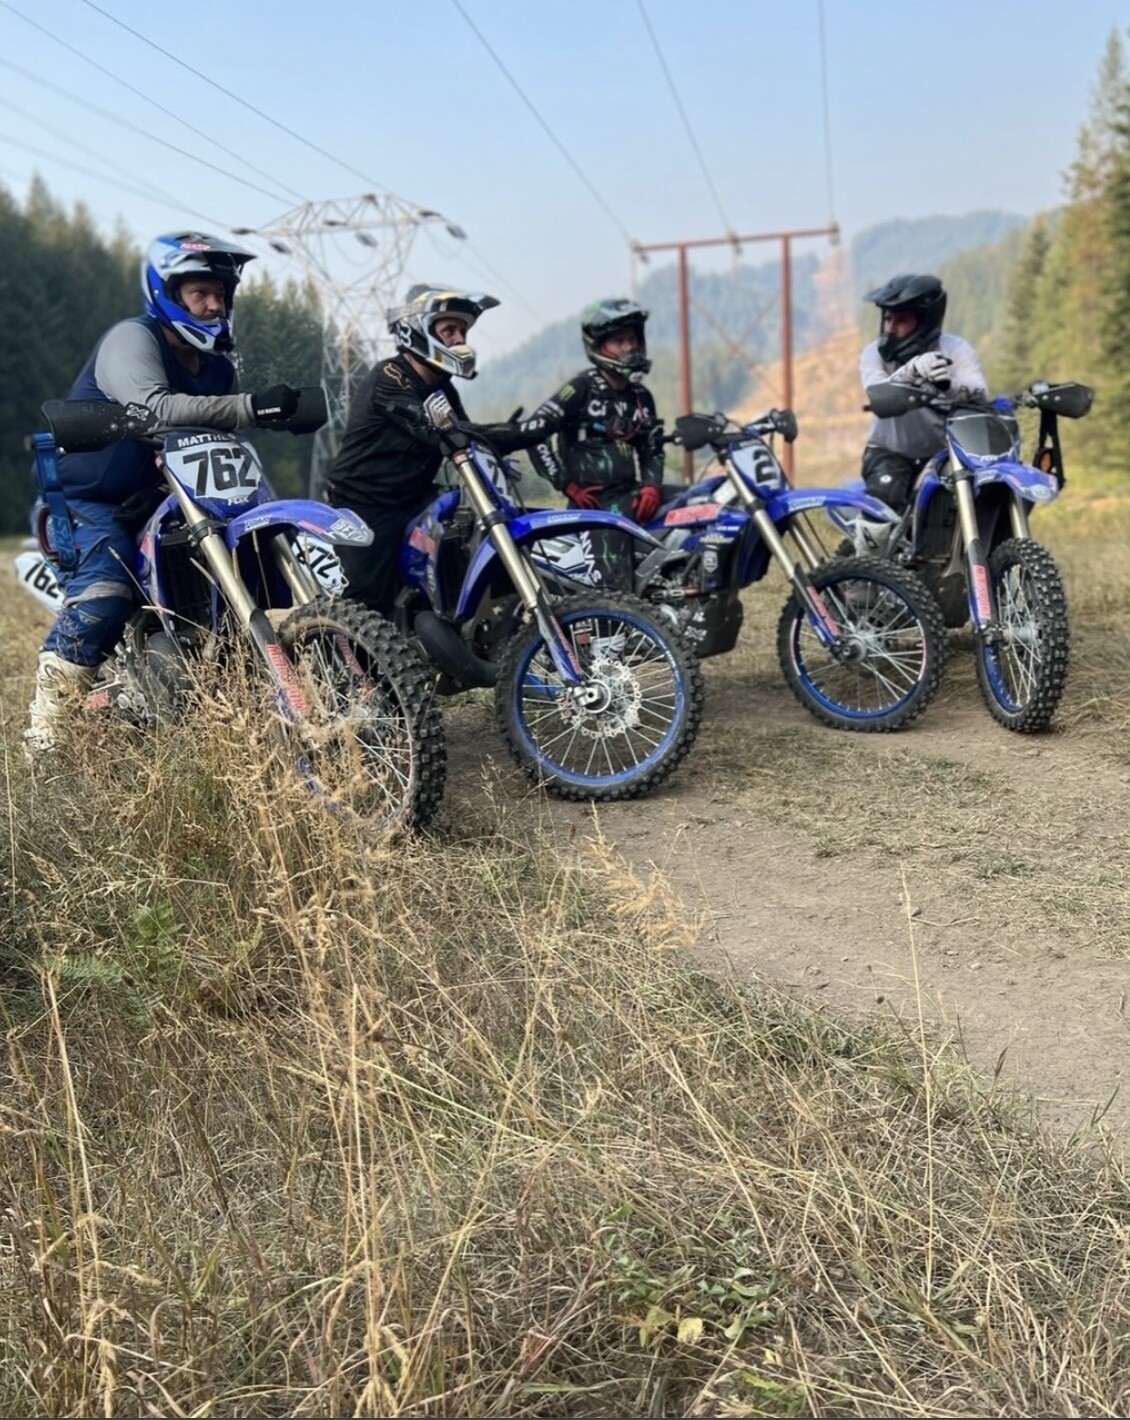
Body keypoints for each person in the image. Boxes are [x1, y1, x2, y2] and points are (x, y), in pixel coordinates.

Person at [25, 231, 302, 754]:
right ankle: (46, 734)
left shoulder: (217, 366)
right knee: (106, 594)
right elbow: (155, 408)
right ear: (167, 293)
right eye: (200, 292)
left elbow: (215, 431)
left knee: (241, 562)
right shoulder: (133, 340)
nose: (214, 303)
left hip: (175, 495)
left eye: (221, 293)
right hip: (92, 500)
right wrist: (251, 407)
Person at [326, 283, 530, 618]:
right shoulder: (389, 376)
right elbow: (439, 427)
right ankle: (354, 667)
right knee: (368, 600)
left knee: (463, 528)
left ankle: (460, 622)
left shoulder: (442, 386)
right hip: (366, 502)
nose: (459, 339)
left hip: (413, 496)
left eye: (462, 331)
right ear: (418, 330)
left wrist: (497, 458)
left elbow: (464, 435)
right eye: (449, 330)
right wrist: (525, 432)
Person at [855, 273, 987, 551]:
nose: (891, 328)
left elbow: (979, 391)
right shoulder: (874, 354)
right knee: (883, 498)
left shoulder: (955, 348)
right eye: (888, 319)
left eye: (901, 320)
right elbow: (877, 393)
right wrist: (913, 369)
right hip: (889, 451)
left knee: (967, 502)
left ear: (925, 320)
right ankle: (860, 587)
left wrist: (949, 386)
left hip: (944, 453)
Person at [521, 298, 665, 525]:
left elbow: (652, 449)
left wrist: (651, 487)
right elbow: (533, 433)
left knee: (696, 504)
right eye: (619, 341)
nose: (629, 347)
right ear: (598, 346)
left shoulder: (641, 396)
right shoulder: (580, 388)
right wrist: (567, 485)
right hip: (594, 508)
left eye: (632, 339)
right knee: (614, 561)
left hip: (632, 497)